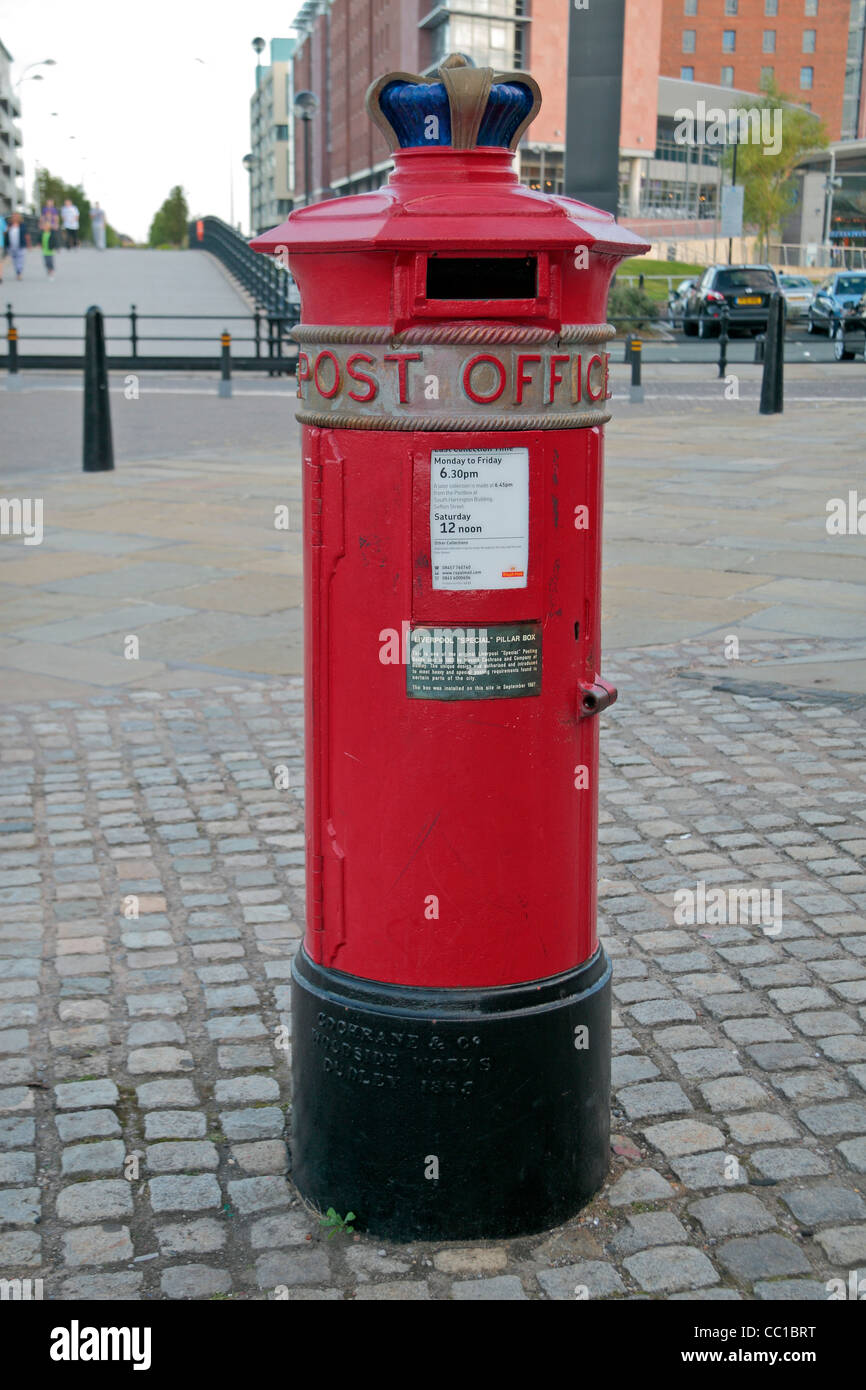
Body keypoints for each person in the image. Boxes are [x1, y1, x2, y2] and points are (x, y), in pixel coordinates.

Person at [4, 213, 31, 280]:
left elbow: (27, 235)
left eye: (16, 216)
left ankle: (19, 272)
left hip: (21, 245)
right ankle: (17, 271)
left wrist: (29, 245)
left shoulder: (23, 225)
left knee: (20, 260)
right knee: (14, 260)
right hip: (11, 246)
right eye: (13, 216)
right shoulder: (9, 225)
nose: (15, 218)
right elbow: (4, 233)